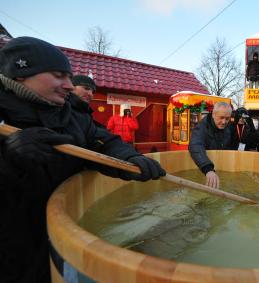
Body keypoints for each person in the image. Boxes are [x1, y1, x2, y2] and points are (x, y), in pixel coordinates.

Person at [0, 36, 166, 283]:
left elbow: (104, 141)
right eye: (58, 75)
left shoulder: (72, 115)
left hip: (69, 237)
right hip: (13, 250)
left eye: (68, 76)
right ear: (21, 74)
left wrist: (130, 159)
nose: (68, 85)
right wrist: (9, 160)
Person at [189, 102, 237, 189]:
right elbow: (195, 145)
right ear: (213, 114)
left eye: (227, 118)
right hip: (203, 172)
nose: (224, 122)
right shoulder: (202, 127)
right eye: (221, 118)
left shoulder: (229, 128)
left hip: (221, 172)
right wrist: (207, 169)